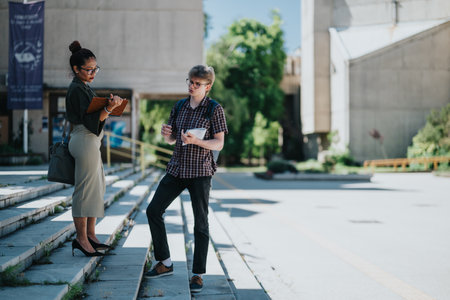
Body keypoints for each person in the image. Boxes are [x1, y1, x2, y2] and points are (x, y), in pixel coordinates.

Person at [145, 65, 228, 293]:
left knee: (200, 224)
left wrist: (197, 141)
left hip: (200, 173)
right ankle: (165, 262)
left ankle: (198, 275)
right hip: (176, 169)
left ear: (207, 86)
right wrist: (168, 135)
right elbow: (173, 139)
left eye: (197, 84)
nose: (191, 86)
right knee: (153, 210)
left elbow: (219, 143)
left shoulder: (214, 109)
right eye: (190, 82)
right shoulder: (180, 105)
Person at [66, 41, 124, 257]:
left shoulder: (84, 87)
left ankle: (90, 235)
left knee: (96, 188)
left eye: (95, 69)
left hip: (91, 141)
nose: (93, 73)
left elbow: (94, 118)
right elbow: (90, 121)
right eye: (89, 70)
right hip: (84, 139)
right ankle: (81, 239)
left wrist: (106, 107)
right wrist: (109, 108)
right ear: (76, 69)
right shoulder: (77, 88)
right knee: (84, 191)